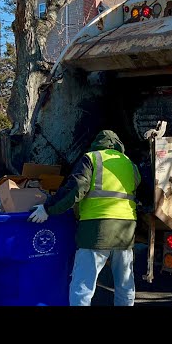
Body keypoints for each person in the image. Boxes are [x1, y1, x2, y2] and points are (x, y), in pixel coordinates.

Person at [28, 130, 141, 306]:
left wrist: (47, 208)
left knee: (83, 285)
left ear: (97, 143)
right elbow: (137, 184)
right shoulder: (129, 163)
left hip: (96, 230)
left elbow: (75, 189)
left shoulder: (92, 158)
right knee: (125, 284)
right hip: (125, 231)